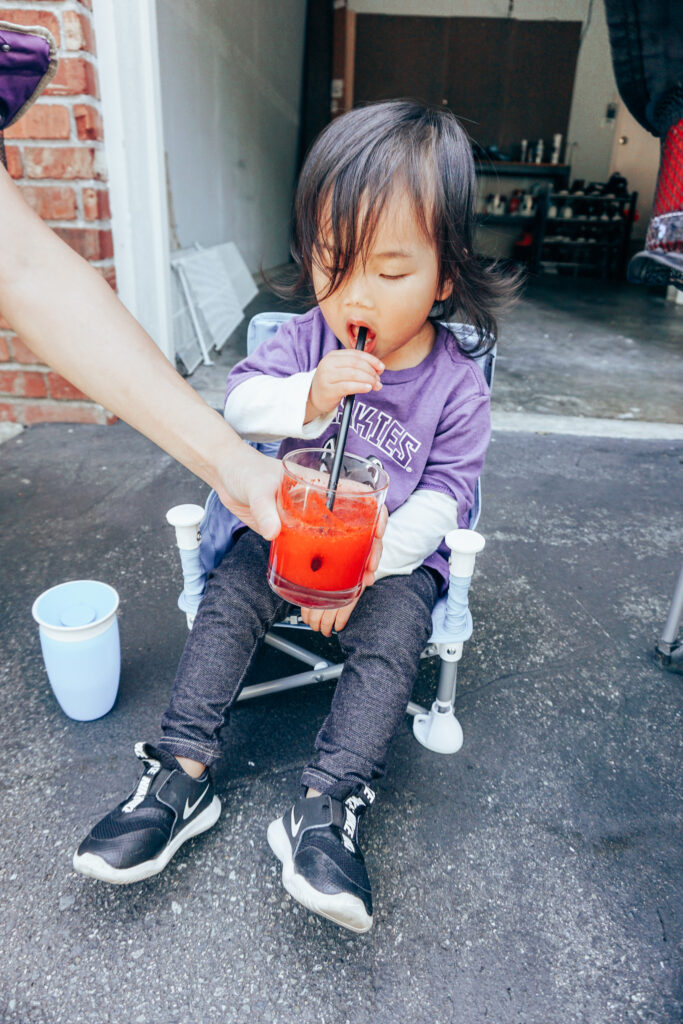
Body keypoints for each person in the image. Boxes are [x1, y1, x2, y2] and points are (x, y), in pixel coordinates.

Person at [73, 101, 517, 933]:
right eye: (333, 264)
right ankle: (180, 772)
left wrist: (372, 563)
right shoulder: (310, 339)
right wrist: (306, 395)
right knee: (230, 595)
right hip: (286, 534)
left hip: (385, 561)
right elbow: (241, 407)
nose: (355, 295)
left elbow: (446, 492)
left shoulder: (455, 384)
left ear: (445, 277)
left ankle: (327, 805)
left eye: (389, 273)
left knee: (394, 640)